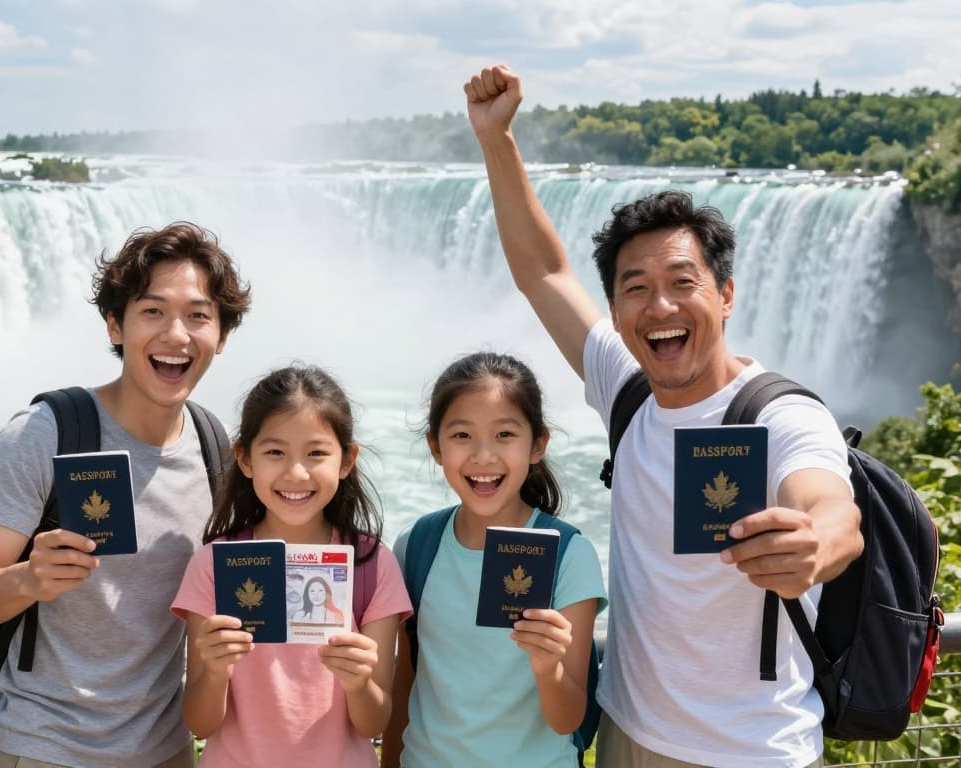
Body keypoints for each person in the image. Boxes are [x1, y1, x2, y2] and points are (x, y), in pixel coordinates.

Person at [462, 64, 865, 768]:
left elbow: (834, 511)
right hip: (627, 733)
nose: (661, 308)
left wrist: (812, 548)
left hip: (752, 751)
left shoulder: (779, 415)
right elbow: (543, 274)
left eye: (684, 284)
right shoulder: (627, 387)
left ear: (727, 295)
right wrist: (496, 139)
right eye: (637, 289)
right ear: (616, 311)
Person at [0, 221, 252, 768]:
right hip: (46, 746)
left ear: (222, 336)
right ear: (115, 325)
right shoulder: (44, 433)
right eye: (152, 311)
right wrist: (27, 578)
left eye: (198, 316)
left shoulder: (213, 447)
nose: (176, 335)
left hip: (166, 747)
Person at [172, 364, 413, 767]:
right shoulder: (215, 564)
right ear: (245, 459)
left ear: (346, 459)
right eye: (275, 452)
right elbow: (200, 723)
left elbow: (374, 722)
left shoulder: (373, 564)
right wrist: (214, 671)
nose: (296, 472)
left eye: (316, 452)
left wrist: (359, 684)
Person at [382, 352, 606, 768]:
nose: (483, 457)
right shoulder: (415, 545)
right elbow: (407, 682)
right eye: (462, 436)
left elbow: (568, 719)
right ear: (435, 446)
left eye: (505, 435)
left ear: (537, 444)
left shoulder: (569, 555)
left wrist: (548, 667)